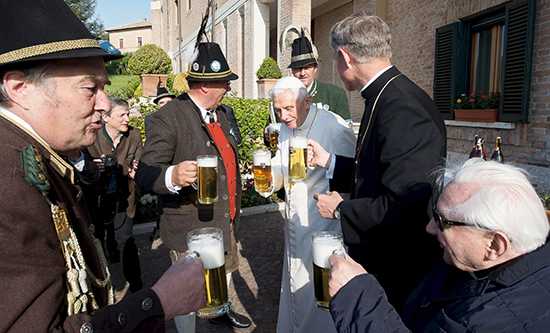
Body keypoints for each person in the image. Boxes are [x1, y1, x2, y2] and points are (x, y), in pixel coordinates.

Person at [0, 0, 206, 331]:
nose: (104, 103)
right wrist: (158, 302)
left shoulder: (27, 156)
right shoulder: (8, 180)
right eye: (89, 88)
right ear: (21, 89)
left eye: (104, 88)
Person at [308, 12, 447, 310]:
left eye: (334, 59)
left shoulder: (400, 107)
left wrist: (341, 209)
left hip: (398, 269)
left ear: (345, 57)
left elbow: (404, 208)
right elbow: (379, 173)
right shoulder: (387, 94)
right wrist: (331, 162)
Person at [328, 159, 550, 332]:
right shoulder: (478, 267)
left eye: (443, 221)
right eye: (435, 214)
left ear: (494, 244)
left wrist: (358, 298)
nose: (430, 228)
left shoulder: (488, 322)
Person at [134, 42, 252, 331]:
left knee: (221, 276)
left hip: (223, 219)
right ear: (205, 86)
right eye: (225, 83)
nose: (228, 89)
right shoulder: (168, 116)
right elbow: (145, 173)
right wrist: (172, 176)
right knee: (186, 294)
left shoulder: (222, 114)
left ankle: (220, 311)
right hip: (190, 228)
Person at [266, 77, 356, 332]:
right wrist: (266, 181)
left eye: (288, 109)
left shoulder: (334, 127)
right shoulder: (286, 126)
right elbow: (280, 163)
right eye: (278, 109)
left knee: (321, 296)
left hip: (323, 228)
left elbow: (352, 178)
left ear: (307, 102)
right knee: (295, 288)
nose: (283, 116)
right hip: (294, 227)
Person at [88, 97, 144, 294]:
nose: (127, 119)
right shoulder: (91, 137)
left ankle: (137, 286)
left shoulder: (134, 136)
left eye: (128, 114)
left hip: (123, 199)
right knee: (97, 243)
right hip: (96, 201)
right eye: (121, 115)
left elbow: (140, 162)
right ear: (106, 117)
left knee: (126, 240)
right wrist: (93, 168)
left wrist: (137, 170)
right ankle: (100, 289)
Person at [264, 34, 350, 145]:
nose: (302, 73)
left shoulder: (334, 94)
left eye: (307, 67)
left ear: (315, 68)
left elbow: (345, 134)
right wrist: (266, 134)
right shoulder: (282, 95)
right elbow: (272, 125)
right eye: (298, 69)